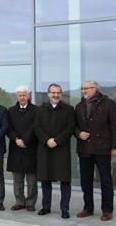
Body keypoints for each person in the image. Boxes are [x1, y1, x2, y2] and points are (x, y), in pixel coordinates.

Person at [75, 80, 116, 221]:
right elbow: (74, 126)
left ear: (95, 89)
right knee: (85, 180)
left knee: (105, 180)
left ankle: (107, 210)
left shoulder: (108, 103)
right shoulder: (79, 105)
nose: (84, 91)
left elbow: (115, 127)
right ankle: (88, 208)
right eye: (83, 88)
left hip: (102, 148)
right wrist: (78, 134)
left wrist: (114, 146)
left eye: (87, 88)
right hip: (85, 148)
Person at [34, 83, 75, 218]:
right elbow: (37, 128)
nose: (55, 95)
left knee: (65, 181)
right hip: (45, 149)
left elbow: (70, 128)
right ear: (48, 94)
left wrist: (56, 141)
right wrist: (47, 140)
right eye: (53, 92)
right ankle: (46, 207)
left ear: (61, 94)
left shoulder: (69, 109)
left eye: (58, 92)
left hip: (61, 149)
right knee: (45, 180)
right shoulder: (40, 109)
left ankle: (65, 209)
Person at [6, 85, 37, 212]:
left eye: (24, 95)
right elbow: (8, 128)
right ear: (17, 96)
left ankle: (30, 203)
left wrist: (25, 140)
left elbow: (36, 127)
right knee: (17, 179)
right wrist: (16, 139)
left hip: (30, 147)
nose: (22, 97)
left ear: (28, 95)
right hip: (16, 147)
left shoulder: (36, 110)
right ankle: (19, 201)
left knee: (31, 179)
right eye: (20, 95)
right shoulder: (11, 110)